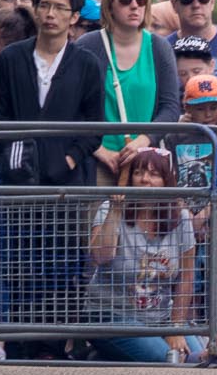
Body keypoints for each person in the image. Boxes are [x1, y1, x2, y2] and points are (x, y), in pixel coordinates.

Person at [0, 0, 108, 356]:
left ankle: (54, 347)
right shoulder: (11, 58)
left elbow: (95, 126)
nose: (51, 14)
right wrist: (16, 157)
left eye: (60, 8)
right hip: (20, 181)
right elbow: (0, 117)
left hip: (67, 184)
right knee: (19, 263)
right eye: (45, 5)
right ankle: (21, 345)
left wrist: (68, 157)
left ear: (74, 17)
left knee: (62, 266)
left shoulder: (87, 63)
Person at [84, 148, 203, 364]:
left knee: (200, 356)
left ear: (167, 181)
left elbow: (186, 277)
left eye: (154, 174)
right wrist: (116, 210)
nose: (144, 179)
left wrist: (175, 327)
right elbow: (100, 256)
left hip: (161, 318)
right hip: (112, 314)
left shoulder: (181, 218)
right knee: (172, 360)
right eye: (138, 172)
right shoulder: (107, 209)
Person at [92, 0, 180, 183]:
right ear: (109, 6)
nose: (134, 6)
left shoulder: (159, 47)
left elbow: (170, 107)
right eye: (125, 0)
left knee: (146, 217)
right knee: (94, 216)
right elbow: (72, 105)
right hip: (98, 158)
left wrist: (144, 139)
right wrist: (98, 149)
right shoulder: (89, 45)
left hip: (145, 161)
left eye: (141, 0)